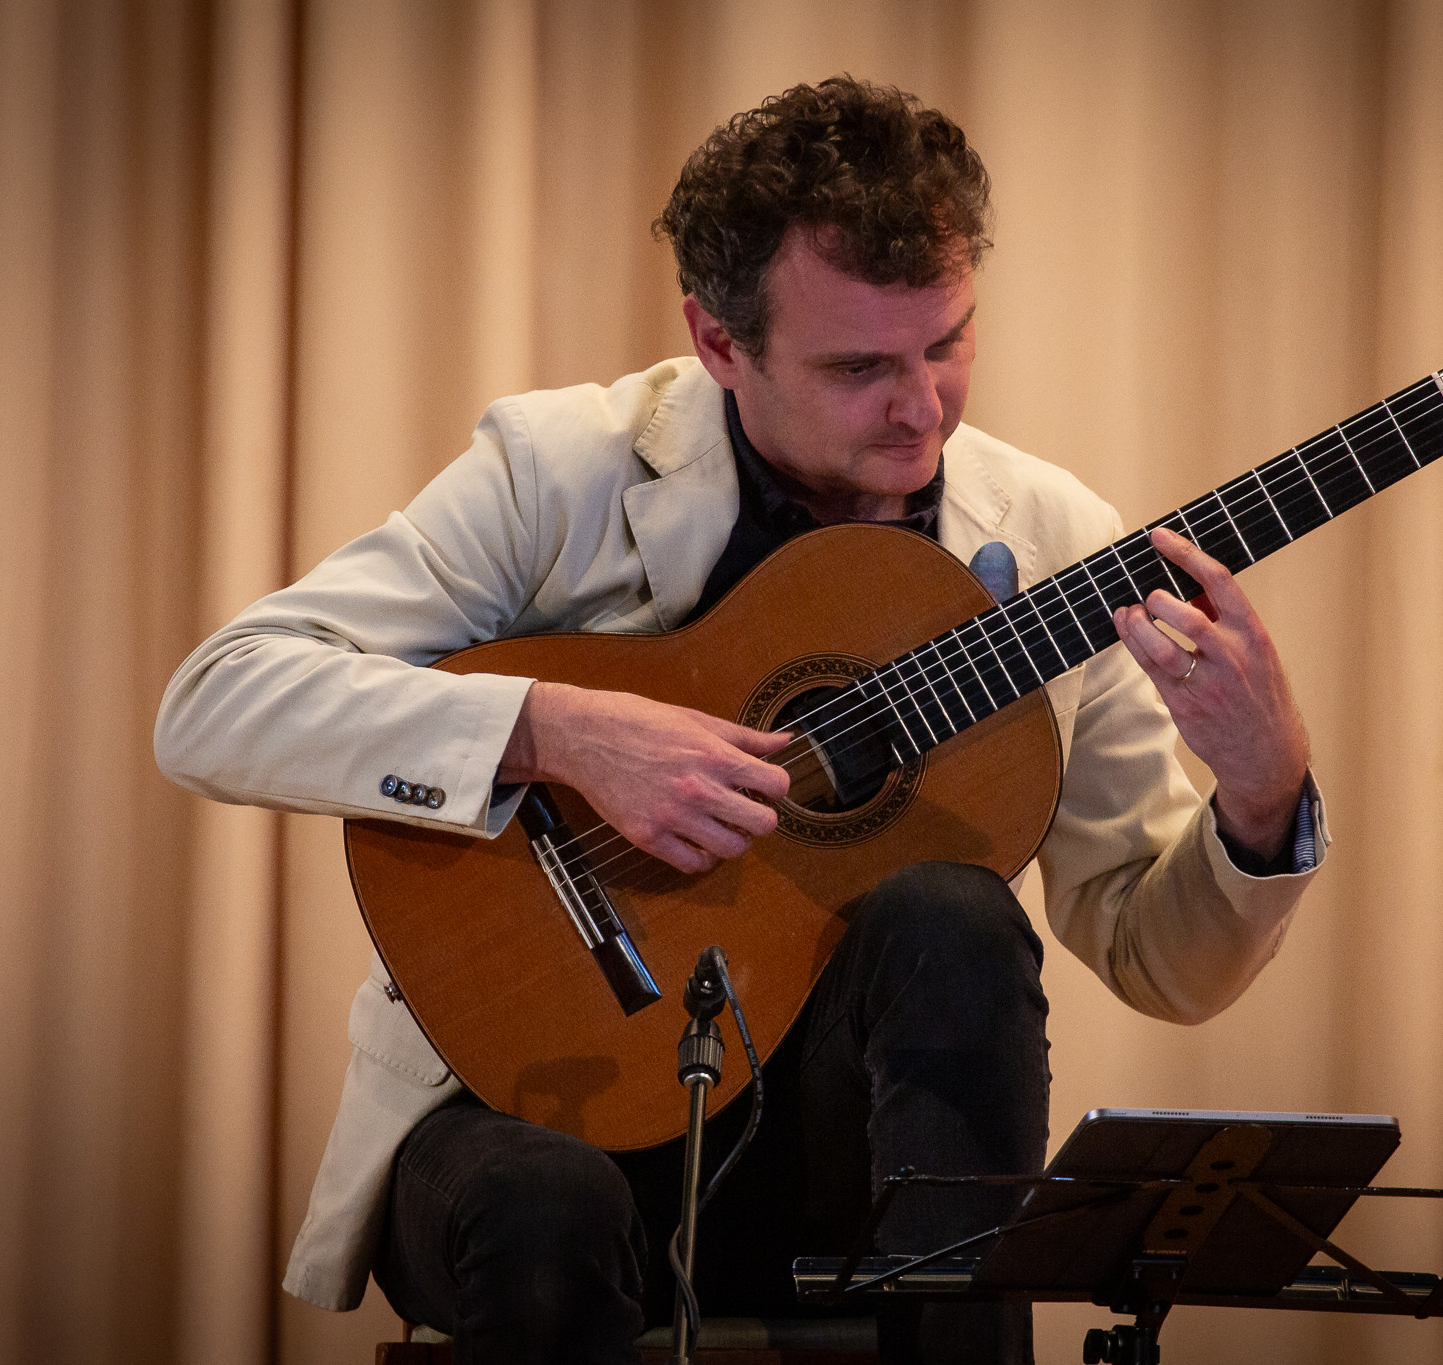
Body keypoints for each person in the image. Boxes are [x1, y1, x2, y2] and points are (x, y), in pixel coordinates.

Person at [156, 76, 1322, 1365]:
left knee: (954, 919)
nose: (923, 408)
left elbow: (1160, 960)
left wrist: (1261, 796)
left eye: (946, 345)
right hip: (526, 1100)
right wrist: (556, 730)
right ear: (719, 342)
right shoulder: (562, 470)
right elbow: (221, 698)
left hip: (836, 1151)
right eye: (859, 367)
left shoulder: (1053, 544)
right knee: (546, 1219)